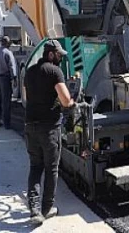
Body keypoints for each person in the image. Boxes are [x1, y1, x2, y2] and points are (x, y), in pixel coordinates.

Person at [23, 39, 77, 225]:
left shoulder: (29, 72)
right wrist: (72, 102)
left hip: (30, 126)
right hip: (49, 129)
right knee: (51, 168)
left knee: (35, 167)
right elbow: (65, 100)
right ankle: (46, 209)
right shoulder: (54, 71)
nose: (61, 58)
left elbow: (27, 96)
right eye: (59, 55)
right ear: (51, 54)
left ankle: (34, 210)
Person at [0, 36, 17, 129]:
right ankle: (7, 124)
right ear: (8, 43)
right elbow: (12, 67)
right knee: (6, 102)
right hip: (5, 79)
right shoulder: (8, 53)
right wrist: (14, 78)